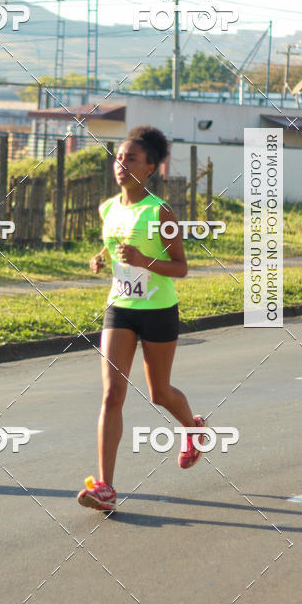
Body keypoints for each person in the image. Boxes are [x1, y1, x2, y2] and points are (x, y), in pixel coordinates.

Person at [77, 126, 206, 511]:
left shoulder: (160, 211)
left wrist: (145, 261)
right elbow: (114, 240)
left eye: (131, 158)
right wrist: (102, 258)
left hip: (159, 311)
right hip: (120, 308)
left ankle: (192, 428)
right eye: (118, 157)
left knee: (159, 393)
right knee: (112, 393)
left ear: (151, 167)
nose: (121, 164)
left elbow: (181, 267)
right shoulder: (108, 207)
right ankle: (105, 487)